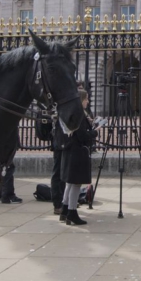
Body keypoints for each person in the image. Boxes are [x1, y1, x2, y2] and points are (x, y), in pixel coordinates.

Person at [60, 90, 98, 225]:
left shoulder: (72, 114)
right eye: (86, 99)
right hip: (78, 152)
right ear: (81, 100)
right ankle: (72, 212)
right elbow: (82, 136)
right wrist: (94, 132)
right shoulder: (79, 115)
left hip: (70, 151)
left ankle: (65, 209)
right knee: (76, 183)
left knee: (70, 182)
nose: (88, 101)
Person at [53, 82, 86, 215]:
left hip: (64, 143)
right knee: (64, 176)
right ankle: (62, 205)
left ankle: (65, 205)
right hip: (65, 144)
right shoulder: (67, 106)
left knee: (67, 178)